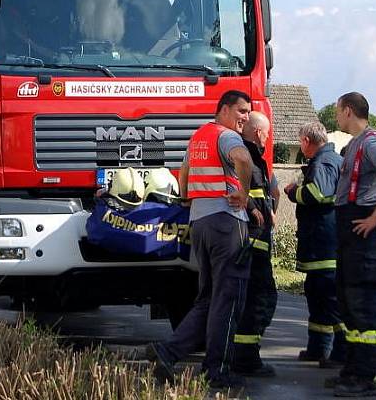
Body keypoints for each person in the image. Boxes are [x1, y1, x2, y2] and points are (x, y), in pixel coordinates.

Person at [147, 90, 254, 390]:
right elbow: (243, 159)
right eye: (241, 110)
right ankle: (217, 370)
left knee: (208, 298)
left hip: (201, 222)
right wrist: (244, 194)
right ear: (223, 110)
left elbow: (184, 171)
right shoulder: (227, 136)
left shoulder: (199, 137)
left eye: (248, 112)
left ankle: (167, 352)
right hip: (226, 223)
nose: (245, 117)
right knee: (228, 298)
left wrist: (185, 199)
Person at [329, 92, 376, 397]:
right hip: (351, 228)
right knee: (348, 300)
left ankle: (367, 375)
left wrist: (375, 217)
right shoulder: (356, 144)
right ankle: (353, 367)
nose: (336, 117)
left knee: (362, 302)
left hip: (364, 230)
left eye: (337, 111)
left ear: (348, 111)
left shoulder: (372, 142)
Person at [284, 121, 346, 368]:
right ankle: (318, 348)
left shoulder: (324, 162)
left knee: (330, 300)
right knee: (317, 298)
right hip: (320, 246)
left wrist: (293, 191)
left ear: (307, 141)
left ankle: (341, 352)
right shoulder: (328, 161)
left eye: (301, 142)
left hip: (325, 245)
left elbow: (318, 194)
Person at [232, 111, 278, 377]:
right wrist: (252, 207)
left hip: (255, 240)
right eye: (267, 133)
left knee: (258, 298)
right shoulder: (246, 156)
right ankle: (246, 359)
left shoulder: (250, 156)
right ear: (260, 133)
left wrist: (268, 208)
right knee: (258, 299)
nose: (268, 138)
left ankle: (244, 353)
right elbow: (238, 188)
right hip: (252, 242)